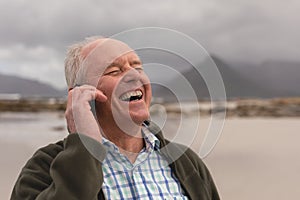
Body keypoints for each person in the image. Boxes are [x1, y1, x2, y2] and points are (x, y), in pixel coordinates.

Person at [11, 36, 220, 200]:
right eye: (114, 71)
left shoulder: (185, 161)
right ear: (80, 94)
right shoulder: (43, 167)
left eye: (137, 67)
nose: (134, 75)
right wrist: (85, 149)